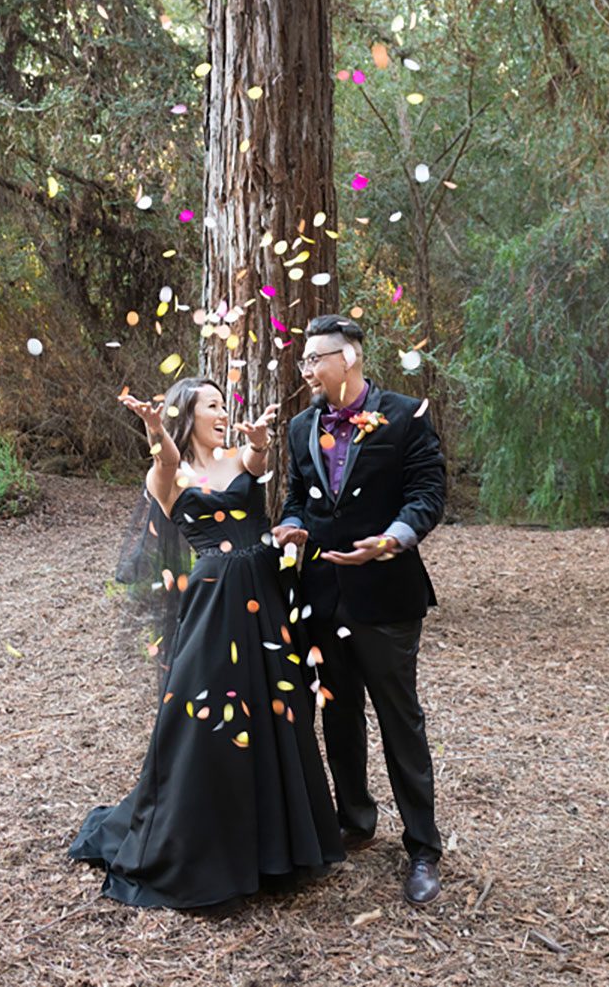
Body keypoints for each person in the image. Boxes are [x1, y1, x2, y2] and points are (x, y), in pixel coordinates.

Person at [68, 377, 344, 911]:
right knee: (207, 710)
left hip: (266, 594)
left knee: (276, 707)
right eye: (211, 405)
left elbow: (260, 466)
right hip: (214, 602)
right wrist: (154, 429)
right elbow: (168, 465)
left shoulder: (242, 458)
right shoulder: (166, 474)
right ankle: (203, 843)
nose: (222, 412)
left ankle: (278, 846)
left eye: (224, 404)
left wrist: (261, 439)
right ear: (186, 415)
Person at [272, 315, 445, 906]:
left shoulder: (407, 415)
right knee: (338, 713)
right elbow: (297, 494)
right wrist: (293, 524)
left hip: (387, 595)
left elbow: (428, 493)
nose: (308, 370)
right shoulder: (300, 427)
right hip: (321, 595)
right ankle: (356, 820)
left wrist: (393, 538)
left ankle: (423, 846)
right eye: (303, 361)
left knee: (400, 719)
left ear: (348, 358)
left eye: (315, 358)